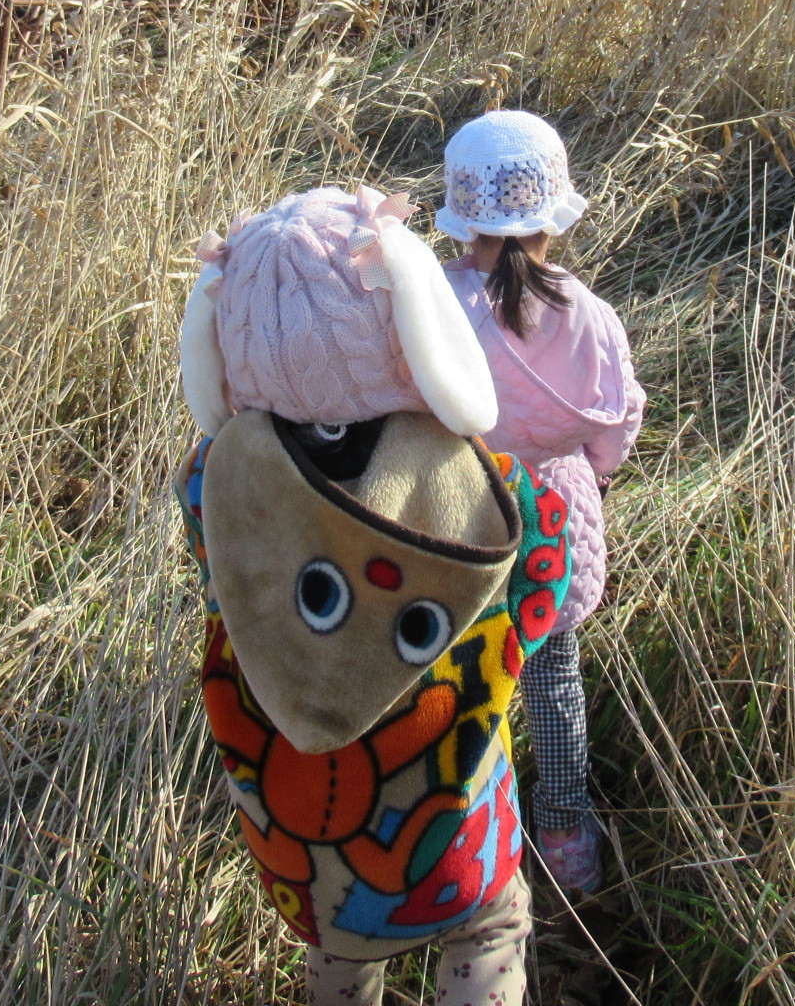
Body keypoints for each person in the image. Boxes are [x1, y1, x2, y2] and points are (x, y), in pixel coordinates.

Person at [176, 185, 569, 1006]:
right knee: (491, 928)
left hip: (308, 867)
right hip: (455, 835)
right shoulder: (491, 488)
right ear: (407, 331)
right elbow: (542, 594)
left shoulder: (215, 484)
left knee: (341, 954)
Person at [434, 110, 645, 897]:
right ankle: (564, 835)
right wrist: (597, 473)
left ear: (465, 225)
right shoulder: (587, 312)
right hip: (553, 515)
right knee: (554, 678)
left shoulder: (437, 303)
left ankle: (463, 833)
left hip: (456, 511)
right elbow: (618, 414)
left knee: (458, 680)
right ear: (552, 220)